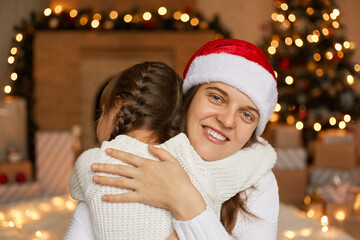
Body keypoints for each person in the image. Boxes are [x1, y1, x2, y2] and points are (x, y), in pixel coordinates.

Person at [66, 39, 279, 239]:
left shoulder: (257, 179)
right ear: (189, 98)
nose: (227, 121)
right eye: (216, 97)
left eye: (246, 115)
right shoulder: (129, 161)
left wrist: (186, 200)